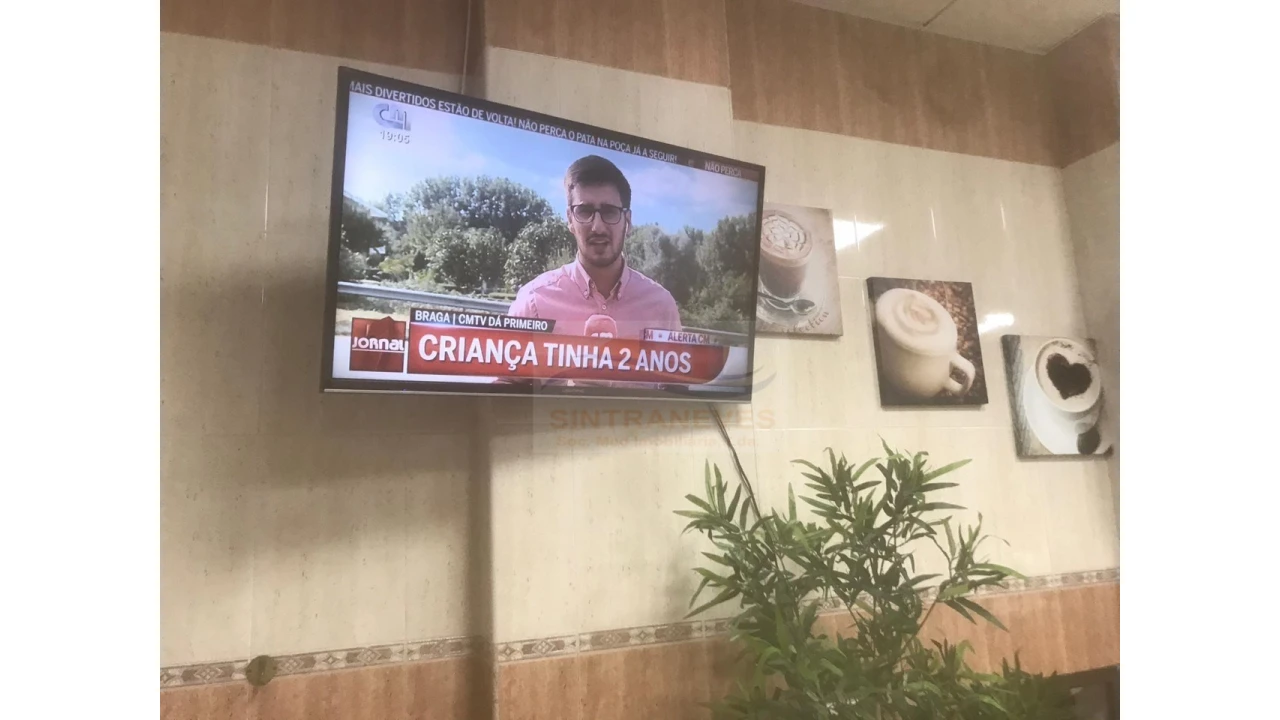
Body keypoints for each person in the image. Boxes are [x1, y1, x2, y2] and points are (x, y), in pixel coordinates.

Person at [507, 155, 682, 339]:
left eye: (609, 211)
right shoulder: (533, 304)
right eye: (585, 211)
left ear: (628, 221)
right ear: (570, 220)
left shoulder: (662, 308)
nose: (597, 227)